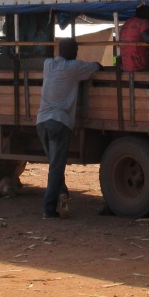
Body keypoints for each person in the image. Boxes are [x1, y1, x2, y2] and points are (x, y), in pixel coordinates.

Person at [36, 38, 101, 219]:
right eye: (76, 49)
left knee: (54, 164)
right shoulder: (74, 68)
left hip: (41, 121)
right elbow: (96, 66)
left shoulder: (48, 64)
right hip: (59, 121)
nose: (77, 52)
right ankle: (49, 210)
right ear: (73, 51)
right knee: (56, 167)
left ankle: (62, 194)